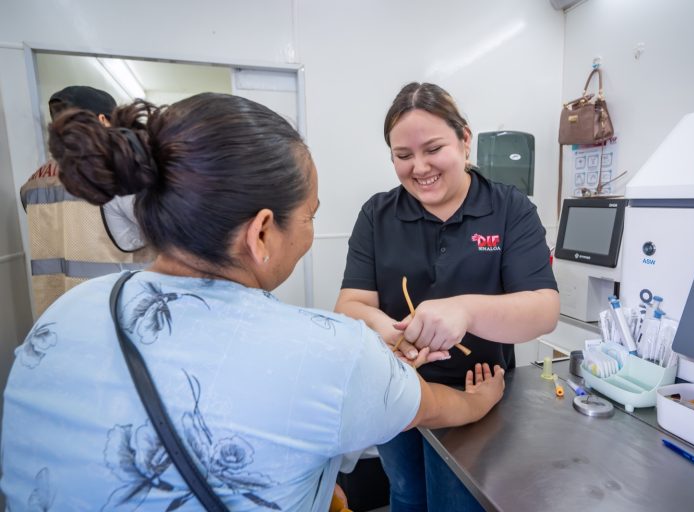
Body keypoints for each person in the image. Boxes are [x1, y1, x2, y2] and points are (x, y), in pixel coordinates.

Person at [1, 93, 506, 511]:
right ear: (262, 232)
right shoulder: (329, 350)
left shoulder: (66, 313)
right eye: (309, 216)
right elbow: (438, 407)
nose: (310, 232)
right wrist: (483, 398)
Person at [335, 82, 560, 512]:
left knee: (454, 502)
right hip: (397, 386)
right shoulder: (378, 214)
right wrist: (396, 332)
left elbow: (544, 309)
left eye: (433, 149)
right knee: (405, 492)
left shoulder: (509, 209)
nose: (419, 167)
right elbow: (349, 306)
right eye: (402, 156)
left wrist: (465, 310)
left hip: (479, 392)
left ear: (465, 139)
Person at [19, 85, 153, 318]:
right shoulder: (118, 173)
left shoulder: (33, 181)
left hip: (56, 312)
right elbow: (157, 228)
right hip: (114, 311)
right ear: (103, 120)